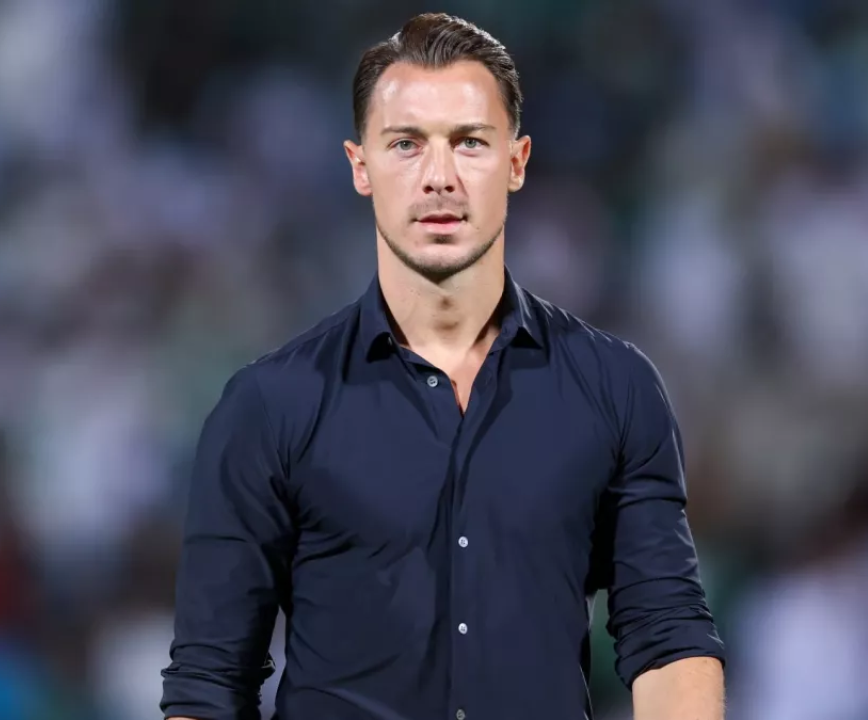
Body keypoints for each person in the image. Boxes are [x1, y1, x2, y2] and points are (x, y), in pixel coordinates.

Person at [161, 12, 726, 720]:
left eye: (469, 143)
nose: (439, 178)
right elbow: (210, 681)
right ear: (360, 166)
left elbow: (668, 635)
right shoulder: (269, 406)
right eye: (406, 144)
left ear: (516, 162)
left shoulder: (615, 388)